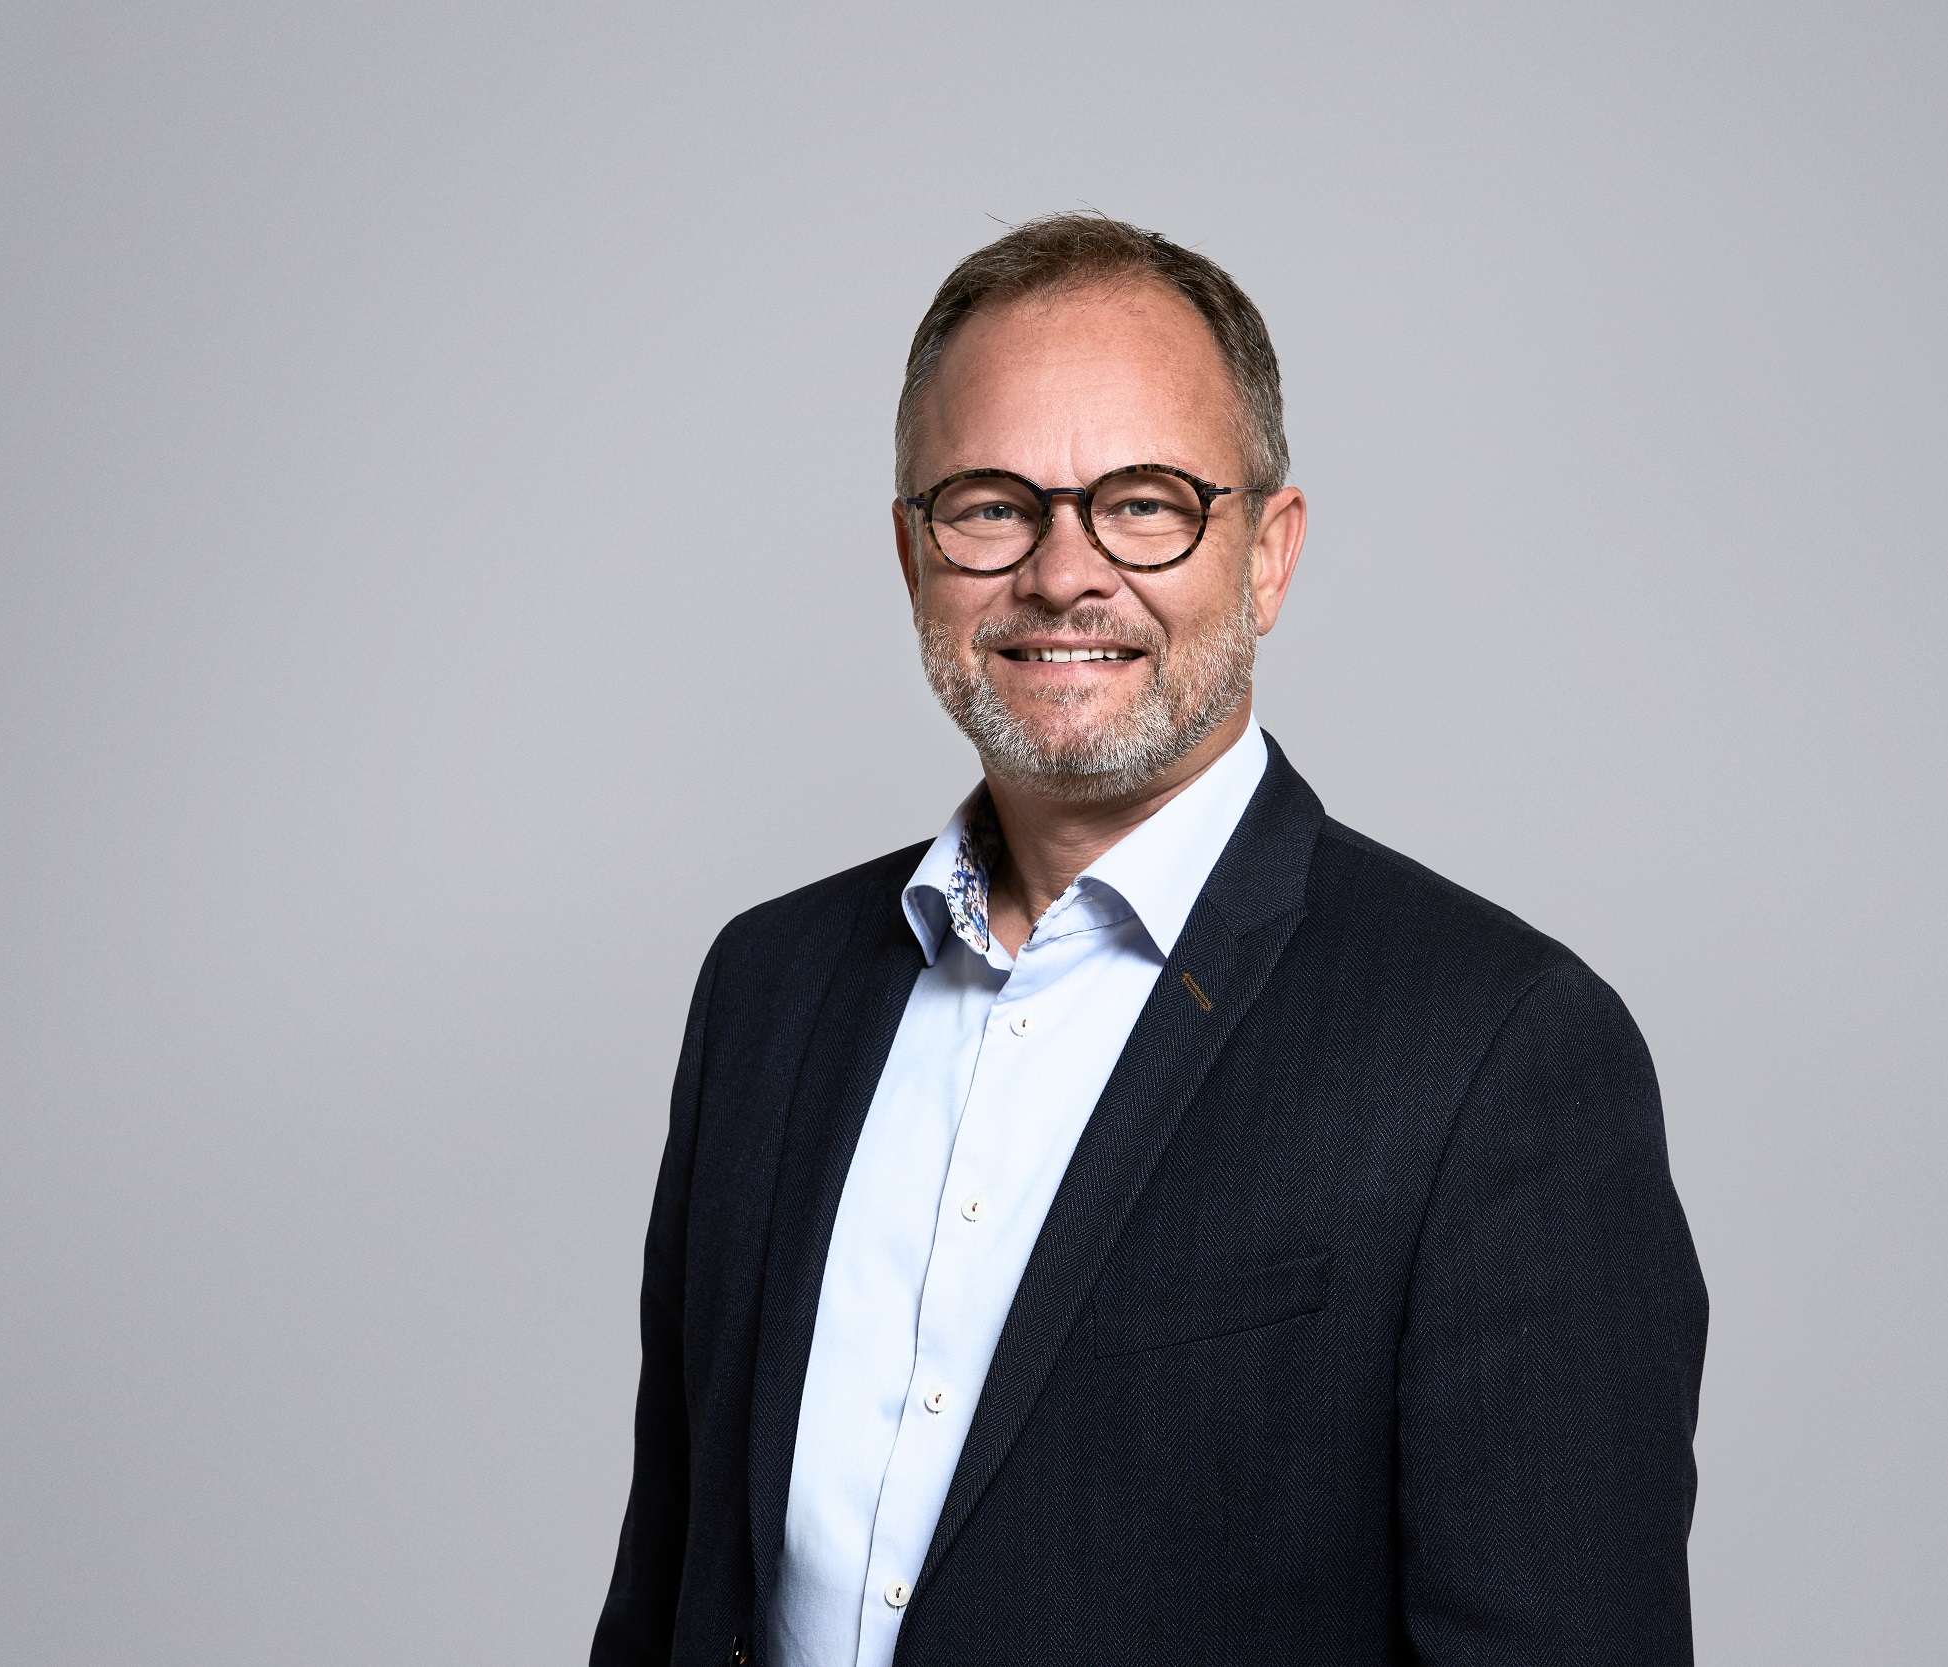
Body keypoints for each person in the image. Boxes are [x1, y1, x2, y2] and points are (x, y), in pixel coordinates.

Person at [591, 214, 1708, 1667]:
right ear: (912, 554)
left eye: (1145, 503)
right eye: (992, 506)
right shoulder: (767, 990)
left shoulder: (1500, 1056)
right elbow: (671, 1593)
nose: (1064, 573)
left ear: (1268, 555)